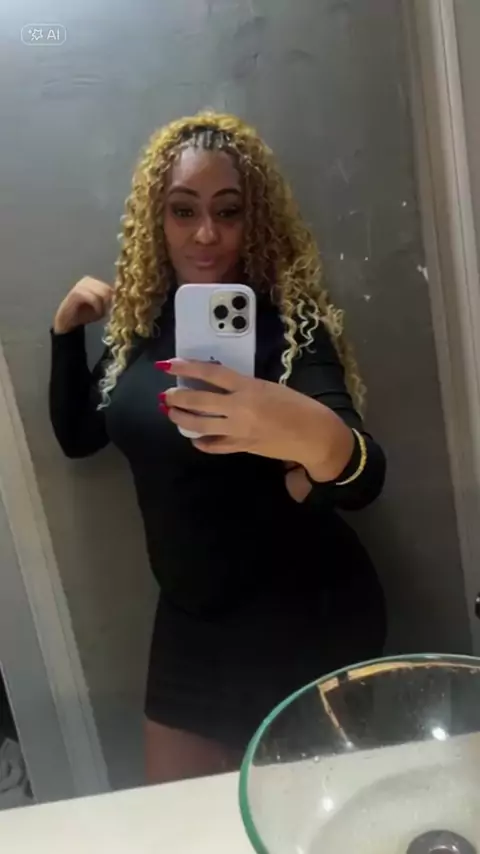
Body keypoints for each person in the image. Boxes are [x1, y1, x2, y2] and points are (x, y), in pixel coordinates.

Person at [49, 112, 387, 785]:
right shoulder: (141, 327)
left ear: (251, 220)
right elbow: (80, 437)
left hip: (299, 613)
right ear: (157, 220)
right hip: (189, 620)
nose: (205, 234)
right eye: (184, 210)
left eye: (227, 212)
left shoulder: (290, 327)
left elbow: (362, 472)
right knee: (180, 825)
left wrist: (310, 440)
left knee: (293, 821)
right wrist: (65, 337)